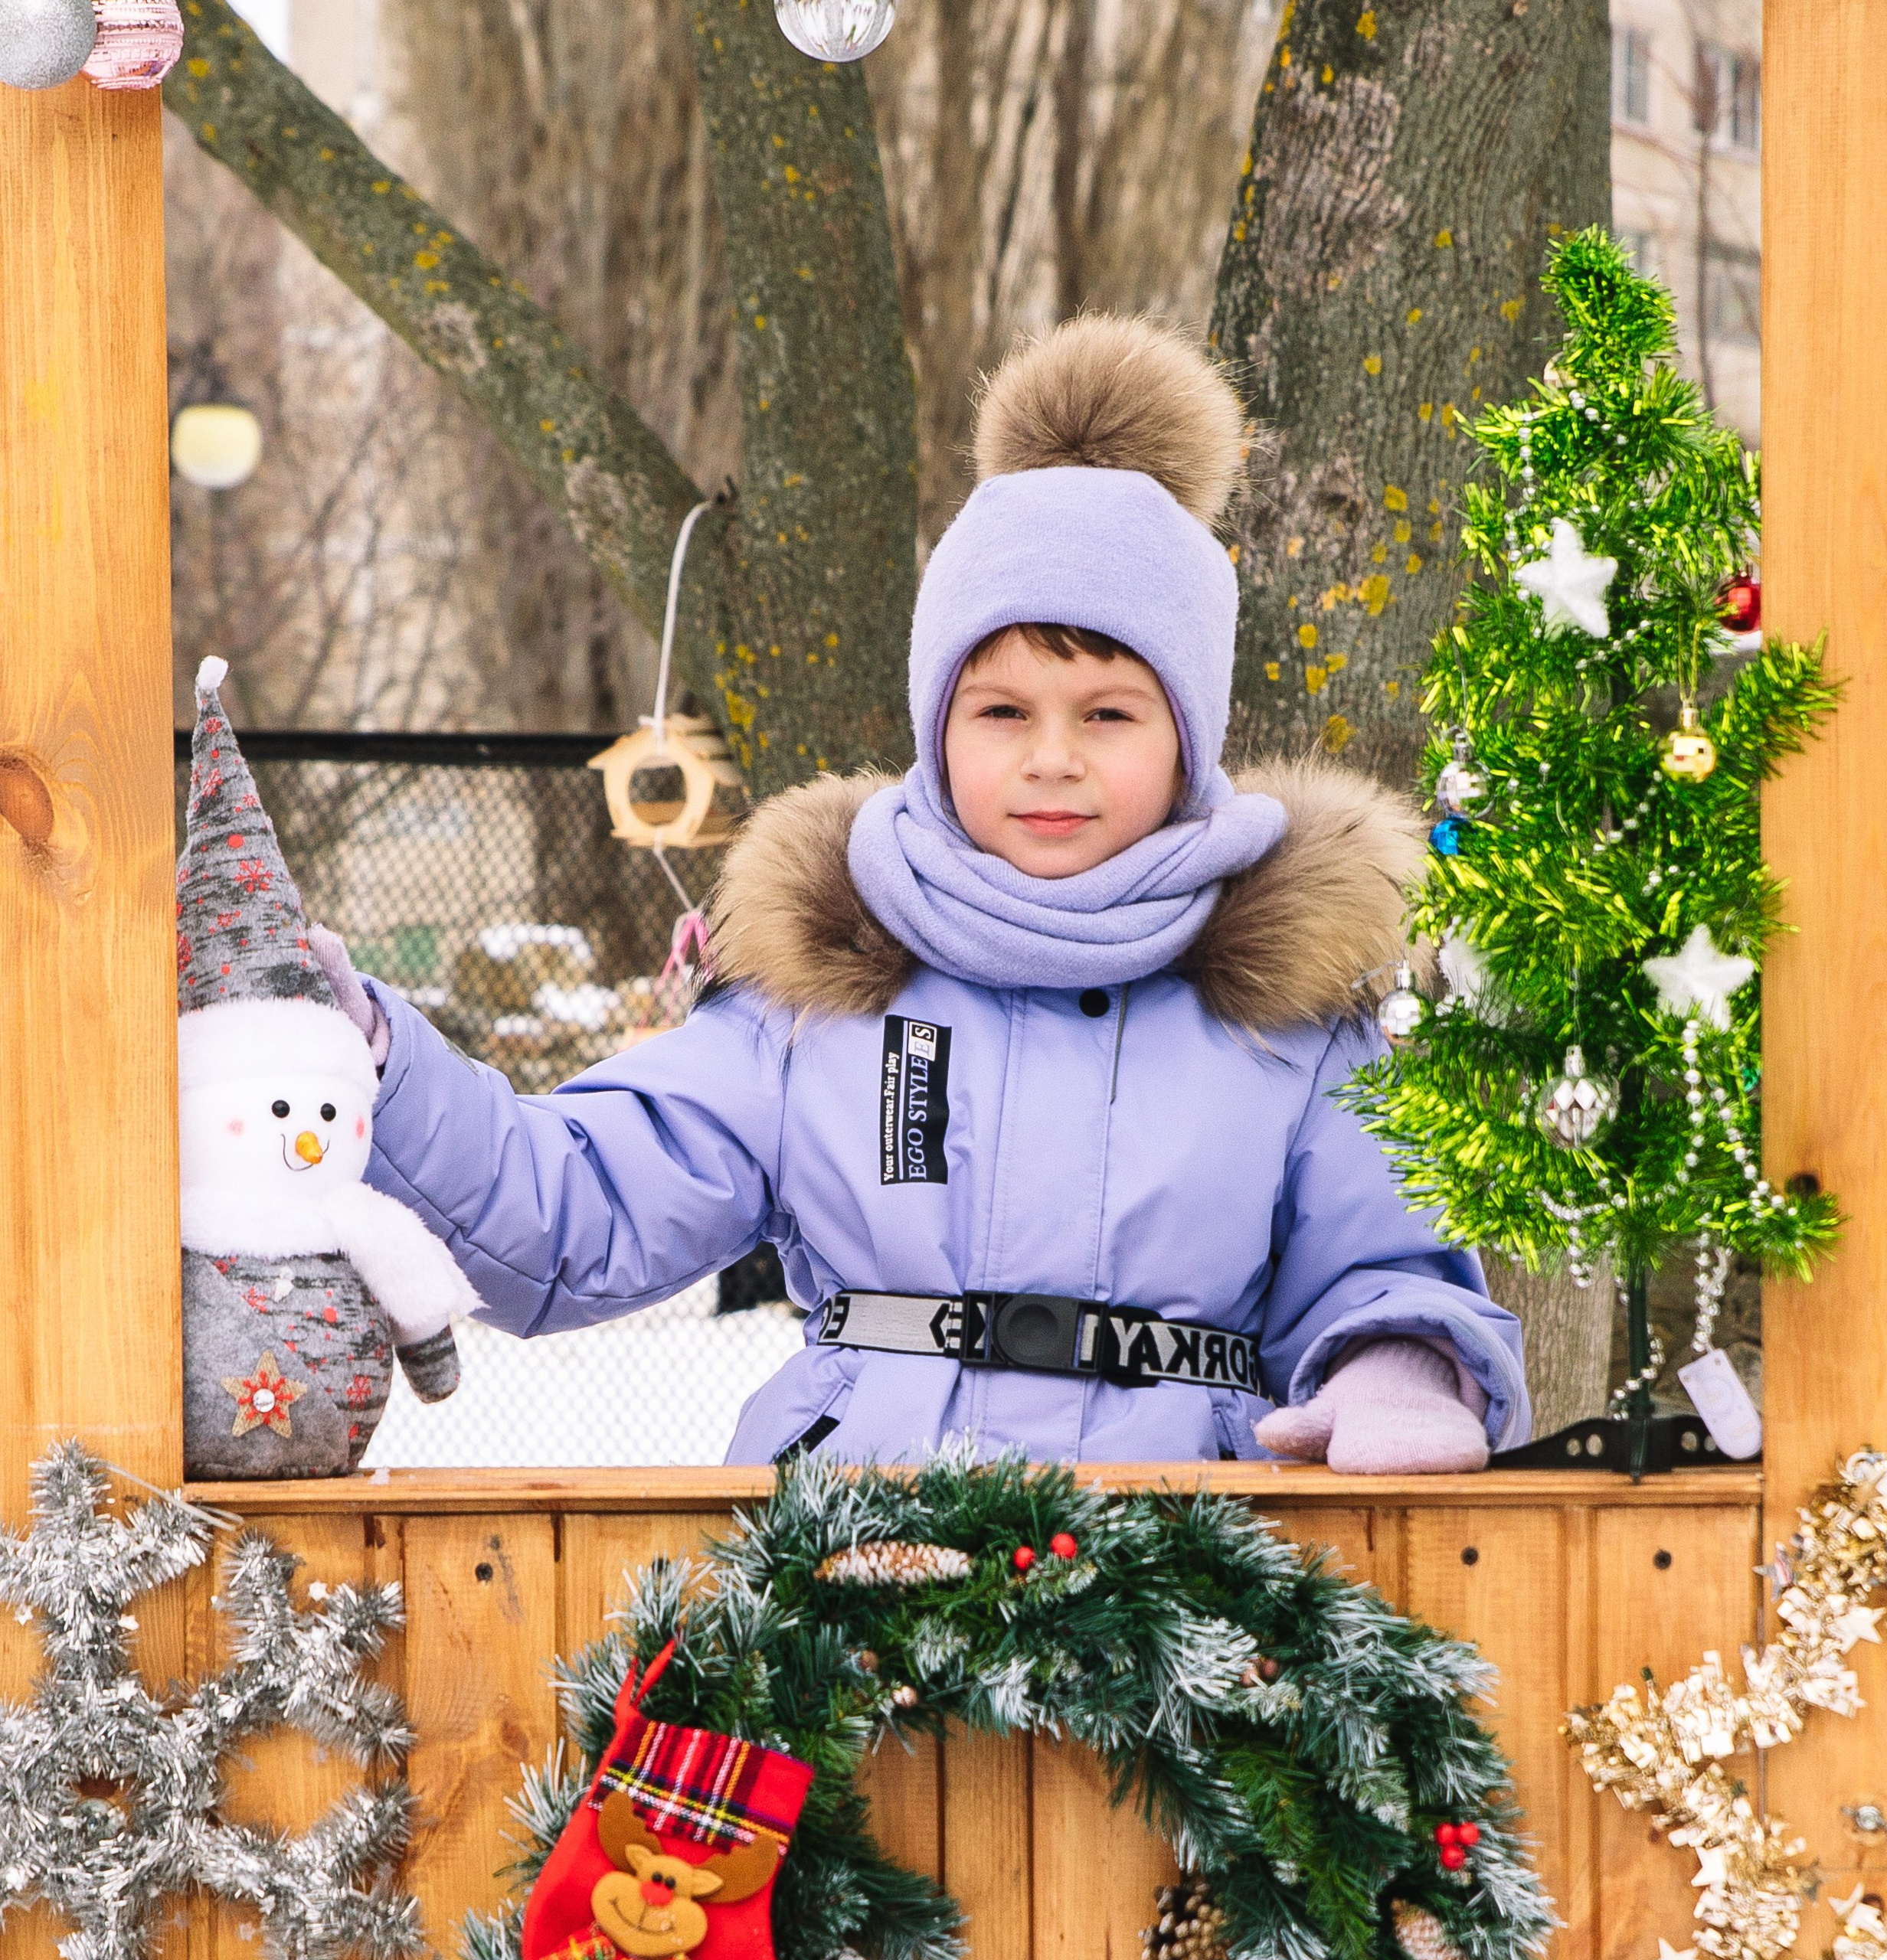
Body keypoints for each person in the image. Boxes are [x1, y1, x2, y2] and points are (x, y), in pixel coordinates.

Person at [314, 316, 1529, 1472]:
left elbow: (1385, 1264)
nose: (1053, 757)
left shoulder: (1294, 1008)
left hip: (1187, 1574)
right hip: (843, 1581)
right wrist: (367, 1062)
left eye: (1109, 714)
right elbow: (571, 1212)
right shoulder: (825, 982)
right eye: (1002, 712)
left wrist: (1401, 1369)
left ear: (1190, 739)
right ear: (937, 726)